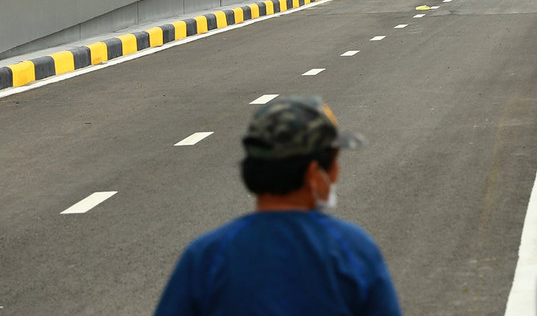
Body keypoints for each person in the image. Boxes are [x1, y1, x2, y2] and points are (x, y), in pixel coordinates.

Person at [154, 96, 402, 316]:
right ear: (313, 174)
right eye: (334, 162)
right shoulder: (352, 250)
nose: (337, 170)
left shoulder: (207, 256)